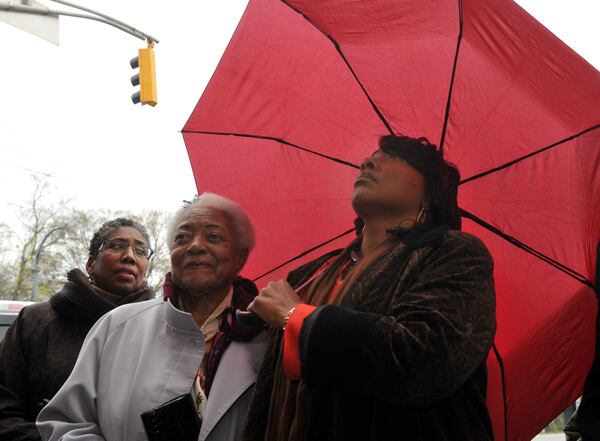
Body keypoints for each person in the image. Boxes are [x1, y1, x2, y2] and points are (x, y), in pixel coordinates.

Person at [244, 135, 497, 441]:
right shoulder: (309, 275)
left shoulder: (452, 252)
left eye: (394, 157)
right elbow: (268, 394)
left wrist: (296, 317)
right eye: (370, 156)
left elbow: (424, 360)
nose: (368, 162)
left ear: (431, 194)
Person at [37, 193, 267, 441]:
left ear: (240, 257)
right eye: (182, 237)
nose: (196, 246)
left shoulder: (266, 338)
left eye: (213, 236)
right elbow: (68, 422)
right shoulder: (117, 325)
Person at [0, 218, 154, 441]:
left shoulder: (160, 329)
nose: (129, 256)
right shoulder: (35, 321)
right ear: (91, 264)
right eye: (117, 246)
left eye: (141, 251)